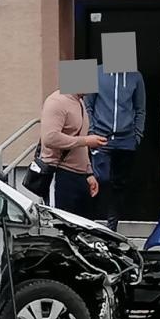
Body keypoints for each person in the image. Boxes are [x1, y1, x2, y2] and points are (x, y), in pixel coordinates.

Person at [89, 65, 146, 227]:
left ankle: (111, 227)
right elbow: (88, 106)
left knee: (119, 185)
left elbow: (140, 109)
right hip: (100, 138)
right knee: (101, 179)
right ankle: (93, 223)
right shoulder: (95, 72)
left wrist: (137, 136)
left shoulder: (135, 76)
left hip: (126, 140)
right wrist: (91, 132)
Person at [38, 86, 105, 219]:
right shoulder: (56, 101)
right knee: (62, 226)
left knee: (83, 227)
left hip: (80, 177)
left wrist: (89, 173)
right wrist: (85, 140)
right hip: (59, 174)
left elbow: (80, 141)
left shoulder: (79, 102)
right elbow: (50, 138)